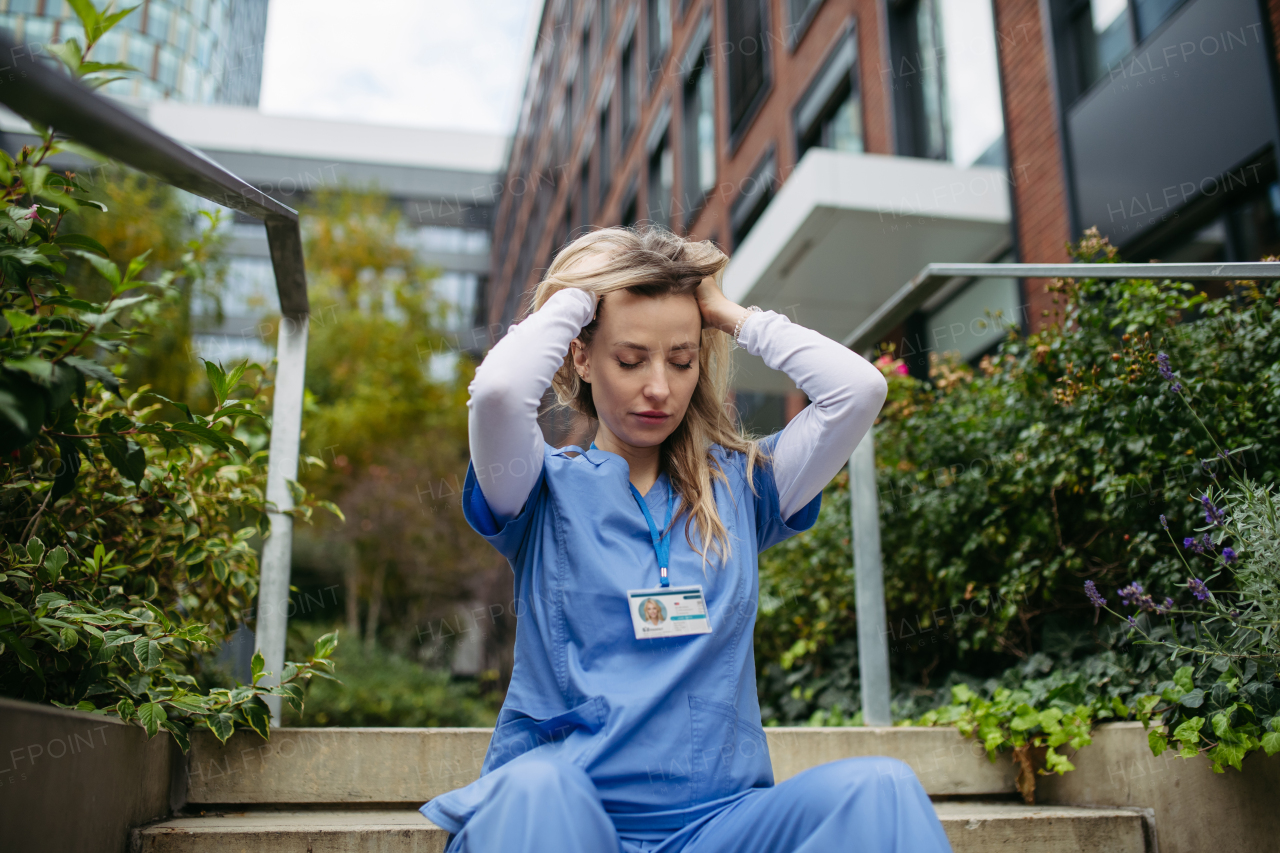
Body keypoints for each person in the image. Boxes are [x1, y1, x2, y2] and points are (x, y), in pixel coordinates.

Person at [419, 226, 951, 853]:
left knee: (883, 789)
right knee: (534, 789)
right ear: (583, 358)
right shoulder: (538, 486)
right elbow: (501, 392)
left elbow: (857, 391)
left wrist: (728, 314)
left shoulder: (747, 489)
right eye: (629, 358)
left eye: (680, 359)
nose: (659, 388)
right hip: (569, 820)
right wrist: (577, 298)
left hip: (719, 827)